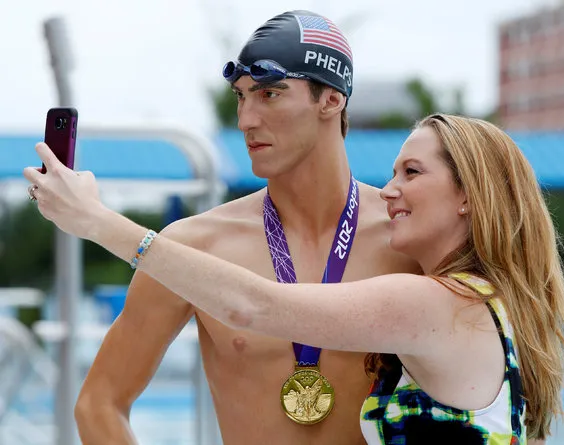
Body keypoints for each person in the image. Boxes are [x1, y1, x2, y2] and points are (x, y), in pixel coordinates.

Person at [25, 112, 564, 444]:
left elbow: (252, 306)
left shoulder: (434, 304)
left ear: (468, 199)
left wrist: (98, 222)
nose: (391, 190)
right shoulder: (489, 307)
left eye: (412, 172)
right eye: (391, 172)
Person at [46, 9, 421, 445]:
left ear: (332, 99)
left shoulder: (408, 239)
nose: (245, 119)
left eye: (269, 94)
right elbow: (99, 403)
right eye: (241, 97)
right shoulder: (197, 245)